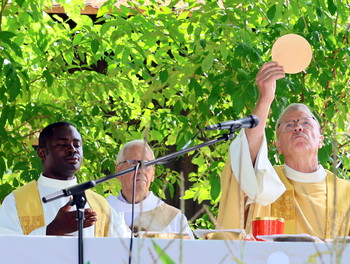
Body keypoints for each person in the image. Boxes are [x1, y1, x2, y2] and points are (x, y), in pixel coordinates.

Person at [217, 62, 350, 239]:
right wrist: (265, 98)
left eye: (305, 123)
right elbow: (244, 158)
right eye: (288, 125)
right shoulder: (265, 181)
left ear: (320, 140)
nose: (297, 128)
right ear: (278, 145)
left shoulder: (345, 192)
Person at [0, 121, 130, 237]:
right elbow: (5, 249)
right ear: (42, 153)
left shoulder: (99, 204)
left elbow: (125, 249)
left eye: (77, 145)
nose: (72, 150)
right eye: (62, 144)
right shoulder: (17, 201)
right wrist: (52, 230)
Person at [107, 140, 194, 239]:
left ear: (153, 174)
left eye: (147, 164)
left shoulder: (173, 218)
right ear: (118, 170)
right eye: (134, 163)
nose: (141, 170)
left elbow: (189, 253)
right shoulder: (102, 212)